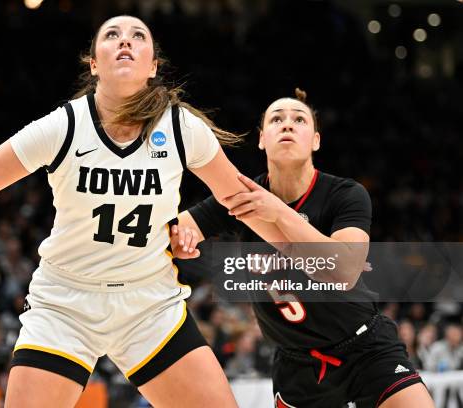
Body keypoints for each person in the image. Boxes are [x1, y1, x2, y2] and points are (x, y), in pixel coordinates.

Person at [0, 15, 271, 407]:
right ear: (94, 64)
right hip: (65, 303)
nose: (124, 41)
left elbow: (241, 199)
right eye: (111, 35)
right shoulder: (62, 127)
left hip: (148, 304)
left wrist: (320, 260)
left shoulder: (182, 129)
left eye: (137, 36)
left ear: (153, 67)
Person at [171, 89, 435, 407]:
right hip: (297, 367)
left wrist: (279, 212)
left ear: (316, 140)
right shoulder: (242, 196)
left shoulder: (345, 194)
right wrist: (181, 238)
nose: (287, 125)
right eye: (276, 119)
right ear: (261, 139)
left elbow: (345, 270)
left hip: (366, 347)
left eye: (299, 119)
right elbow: (176, 229)